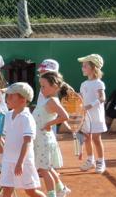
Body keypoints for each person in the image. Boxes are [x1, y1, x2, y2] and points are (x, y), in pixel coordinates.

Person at [0, 82, 45, 197]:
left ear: (23, 99)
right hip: (8, 161)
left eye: (11, 96)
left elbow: (27, 142)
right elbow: (7, 136)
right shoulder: (8, 115)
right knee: (7, 189)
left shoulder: (27, 118)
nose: (7, 99)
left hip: (23, 162)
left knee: (30, 191)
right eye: (7, 95)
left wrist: (20, 162)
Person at [36, 60, 72, 197]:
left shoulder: (52, 100)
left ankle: (52, 195)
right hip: (41, 138)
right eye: (40, 86)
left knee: (44, 169)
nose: (41, 89)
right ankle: (61, 189)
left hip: (44, 139)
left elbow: (65, 116)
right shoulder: (46, 98)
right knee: (47, 168)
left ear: (54, 86)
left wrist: (49, 124)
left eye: (44, 86)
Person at [78, 54, 107, 174]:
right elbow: (81, 99)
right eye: (82, 66)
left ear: (93, 68)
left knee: (96, 138)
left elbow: (102, 98)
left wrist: (89, 105)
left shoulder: (99, 83)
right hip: (86, 117)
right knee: (87, 138)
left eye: (85, 66)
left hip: (96, 116)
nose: (82, 68)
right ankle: (90, 160)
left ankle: (101, 162)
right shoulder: (83, 84)